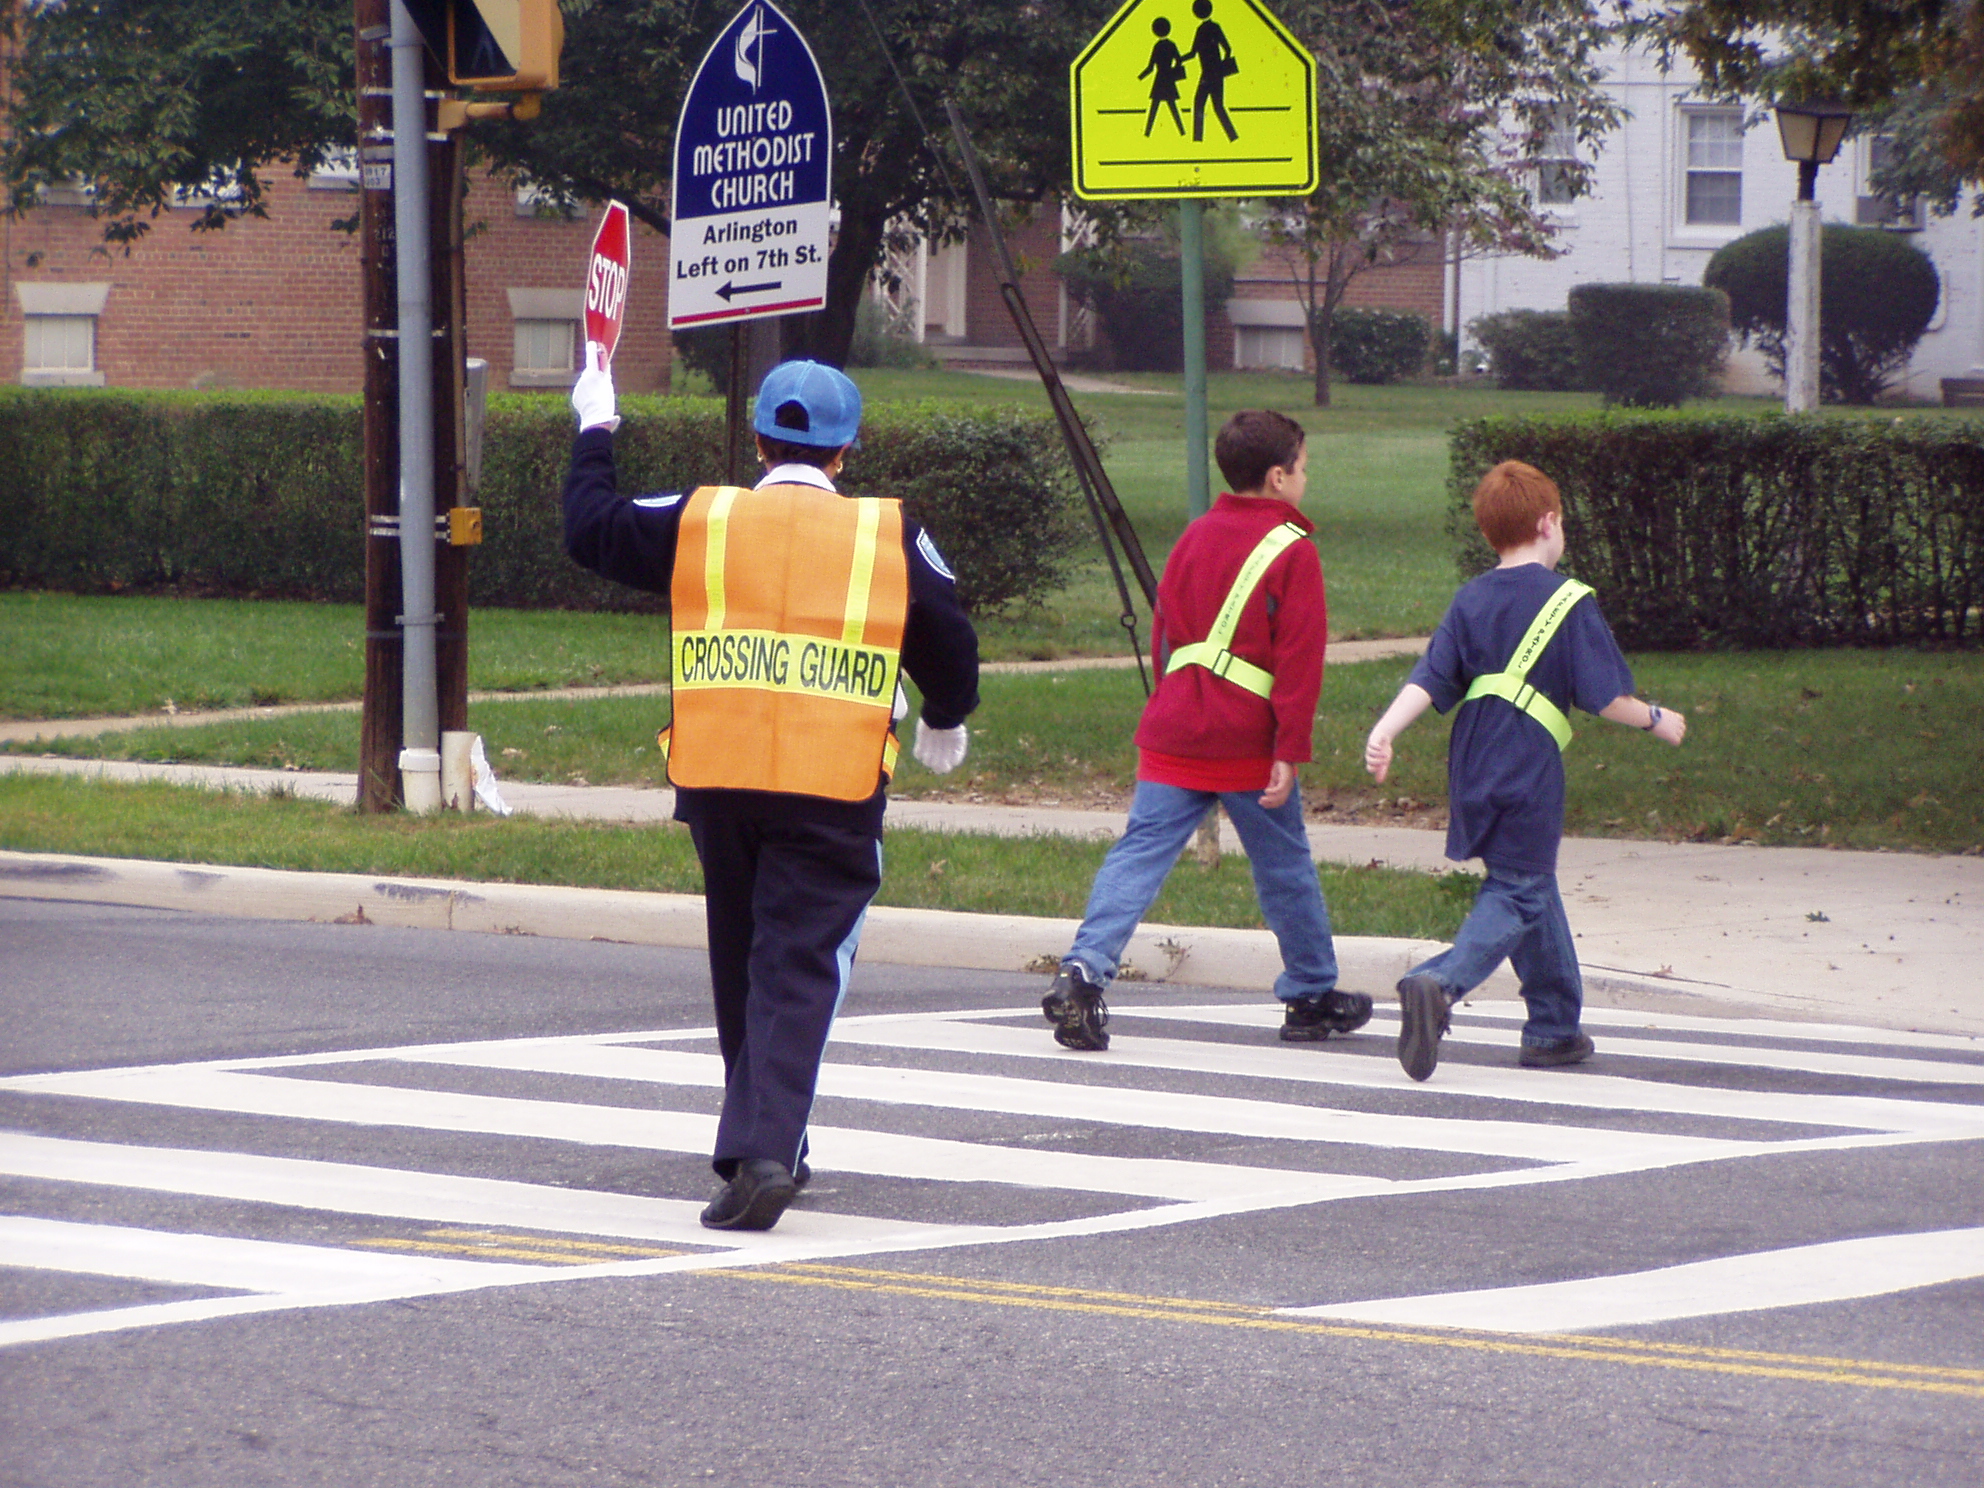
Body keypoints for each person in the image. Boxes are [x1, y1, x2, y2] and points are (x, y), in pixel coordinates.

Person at [562, 349, 979, 1231]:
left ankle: (770, 1141)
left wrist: (595, 427)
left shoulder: (700, 519)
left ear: (757, 440)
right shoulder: (886, 533)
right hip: (832, 786)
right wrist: (947, 712)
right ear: (847, 450)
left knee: (744, 960)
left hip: (718, 780)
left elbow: (590, 527)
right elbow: (948, 633)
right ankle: (763, 1152)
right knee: (798, 968)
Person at [1041, 409, 1371, 1052]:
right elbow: (1299, 660)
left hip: (1175, 723)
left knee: (1138, 855)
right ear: (1278, 477)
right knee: (1284, 865)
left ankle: (1082, 972)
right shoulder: (1293, 549)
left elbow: (1164, 635)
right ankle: (1309, 994)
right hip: (1247, 733)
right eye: (1303, 466)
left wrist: (1174, 696)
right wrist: (1289, 749)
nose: (1306, 476)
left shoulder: (1195, 535)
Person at [1364, 460, 1687, 1082]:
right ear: (1547, 523)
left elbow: (1432, 678)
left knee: (1531, 882)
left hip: (1473, 756)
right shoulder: (1569, 600)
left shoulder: (1471, 597)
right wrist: (1654, 718)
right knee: (1520, 889)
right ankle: (1437, 982)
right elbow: (1602, 695)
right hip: (1526, 759)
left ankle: (1553, 1028)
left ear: (1490, 534)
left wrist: (1386, 729)